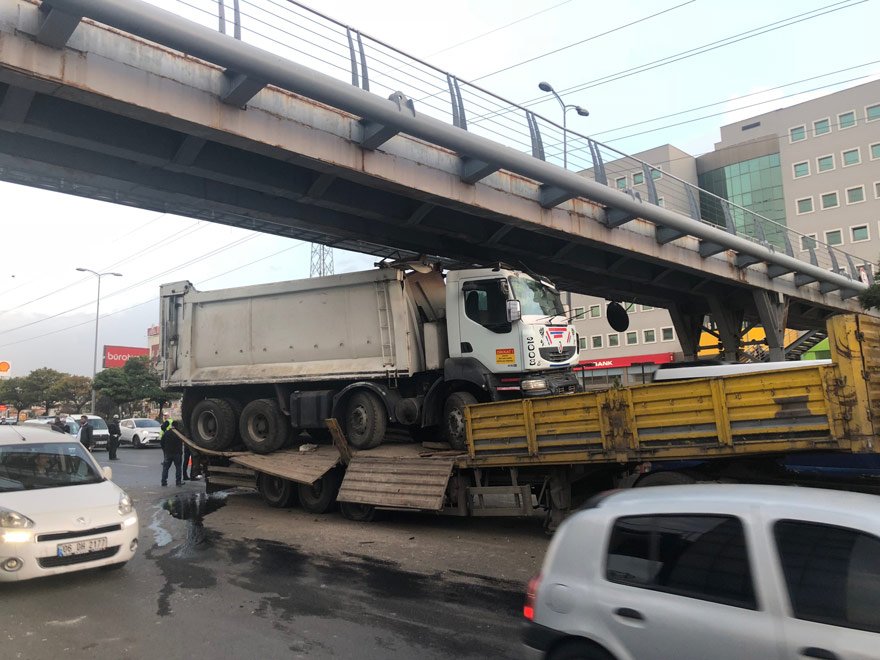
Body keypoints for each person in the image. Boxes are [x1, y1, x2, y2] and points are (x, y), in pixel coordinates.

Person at [160, 419, 184, 487]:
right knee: (178, 468)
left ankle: (163, 481)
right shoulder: (179, 433)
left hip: (168, 453)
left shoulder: (167, 432)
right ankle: (178, 482)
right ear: (177, 426)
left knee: (166, 468)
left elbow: (162, 442)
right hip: (177, 453)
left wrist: (165, 450)